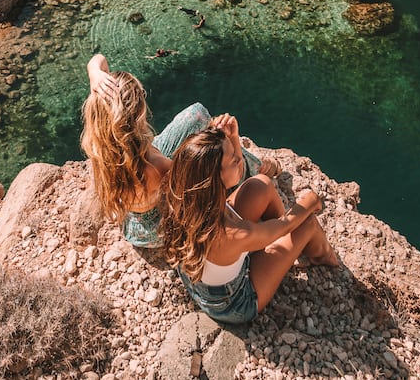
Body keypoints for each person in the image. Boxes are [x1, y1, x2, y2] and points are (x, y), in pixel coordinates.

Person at [81, 54, 276, 249]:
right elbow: (201, 186)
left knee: (196, 114)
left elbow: (98, 59)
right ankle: (258, 168)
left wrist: (95, 73)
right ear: (138, 114)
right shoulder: (156, 166)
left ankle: (244, 159)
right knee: (221, 159)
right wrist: (229, 141)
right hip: (158, 228)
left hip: (134, 225)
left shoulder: (101, 147)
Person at [160, 126, 339, 326]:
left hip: (201, 280)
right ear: (213, 178)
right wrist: (311, 201)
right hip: (232, 302)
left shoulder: (184, 199)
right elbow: (284, 226)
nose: (239, 158)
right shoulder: (232, 233)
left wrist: (234, 138)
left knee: (260, 185)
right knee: (308, 223)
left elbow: (244, 176)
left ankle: (283, 251)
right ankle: (324, 257)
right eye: (233, 159)